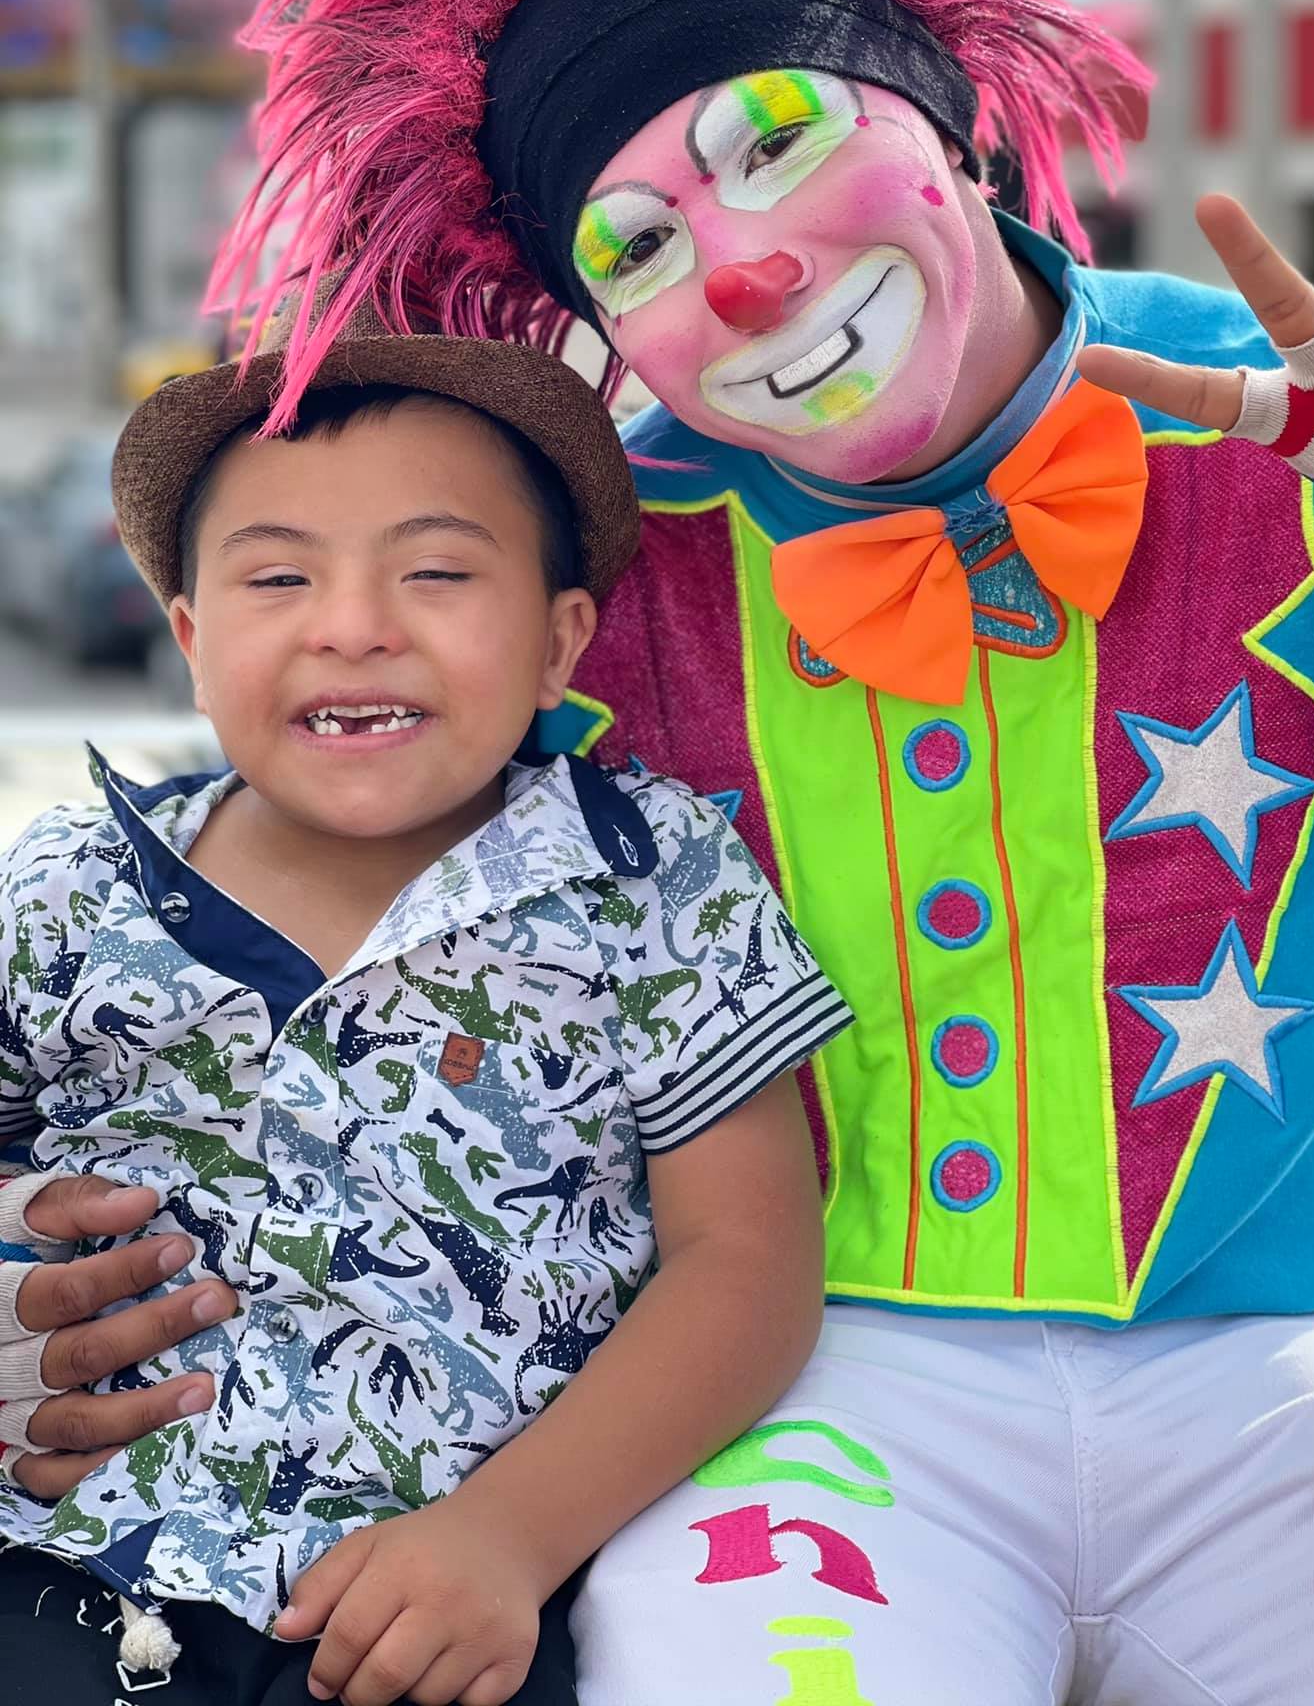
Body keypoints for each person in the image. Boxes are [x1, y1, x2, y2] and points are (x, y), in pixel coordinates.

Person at [11, 0, 1314, 1698]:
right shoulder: (590, 571)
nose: (737, 269)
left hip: (1288, 1376)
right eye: (632, 246)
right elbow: (295, 932)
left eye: (775, 136)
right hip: (817, 1395)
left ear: (964, 129)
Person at [0, 320, 850, 1706]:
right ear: (193, 642)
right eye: (280, 577)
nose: (354, 625)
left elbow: (751, 1263)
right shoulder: (65, 886)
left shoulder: (651, 880)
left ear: (560, 641)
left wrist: (513, 1536)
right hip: (71, 1551)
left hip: (469, 1593)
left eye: (439, 571)